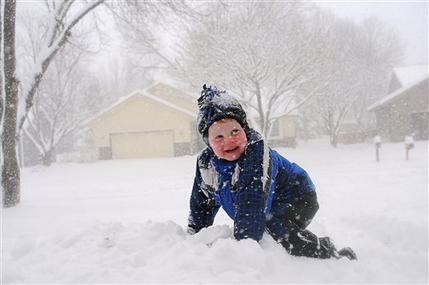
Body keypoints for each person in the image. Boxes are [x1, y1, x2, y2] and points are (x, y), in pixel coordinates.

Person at [187, 84, 357, 260]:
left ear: (245, 130)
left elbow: (252, 203)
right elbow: (201, 205)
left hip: (299, 197)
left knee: (275, 228)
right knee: (266, 224)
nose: (229, 141)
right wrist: (193, 238)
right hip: (264, 205)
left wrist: (244, 250)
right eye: (219, 137)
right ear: (208, 142)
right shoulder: (206, 165)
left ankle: (330, 253)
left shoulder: (256, 153)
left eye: (235, 131)